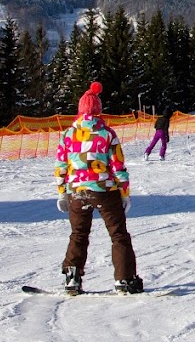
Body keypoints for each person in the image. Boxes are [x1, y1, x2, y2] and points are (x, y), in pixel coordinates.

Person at [55, 82, 143, 295]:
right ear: (98, 109)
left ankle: (72, 278)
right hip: (104, 190)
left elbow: (61, 165)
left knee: (78, 234)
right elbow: (118, 165)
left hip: (78, 191)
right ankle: (124, 278)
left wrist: (62, 192)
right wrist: (124, 193)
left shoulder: (68, 134)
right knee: (118, 234)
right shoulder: (107, 134)